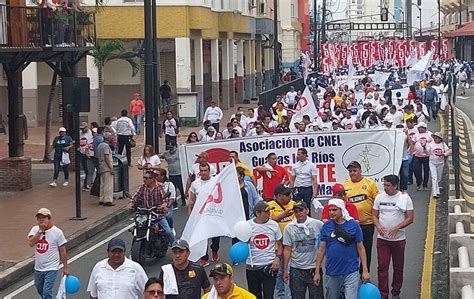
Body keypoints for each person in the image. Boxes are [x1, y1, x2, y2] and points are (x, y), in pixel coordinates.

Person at [313, 198, 370, 299]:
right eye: (330, 210)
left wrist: (365, 270)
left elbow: (361, 248)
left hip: (351, 270)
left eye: (334, 210)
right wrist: (317, 272)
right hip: (332, 271)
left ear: (341, 210)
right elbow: (321, 250)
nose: (331, 212)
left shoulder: (354, 225)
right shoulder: (326, 226)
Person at [373, 175, 414, 299]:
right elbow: (374, 215)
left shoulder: (404, 198)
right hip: (383, 239)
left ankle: (396, 291)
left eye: (388, 185)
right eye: (384, 185)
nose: (385, 188)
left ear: (395, 186)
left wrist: (397, 227)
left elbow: (410, 218)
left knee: (398, 267)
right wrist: (378, 226)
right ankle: (383, 293)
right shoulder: (379, 197)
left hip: (398, 239)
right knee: (382, 266)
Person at [282, 201, 324, 299]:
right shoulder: (289, 227)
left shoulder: (317, 224)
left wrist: (318, 270)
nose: (298, 213)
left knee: (317, 296)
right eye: (296, 211)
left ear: (307, 210)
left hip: (313, 267)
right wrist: (285, 270)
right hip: (296, 268)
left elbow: (325, 242)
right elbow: (287, 249)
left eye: (301, 210)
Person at [343, 161, 379, 271]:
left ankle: (364, 272)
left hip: (367, 224)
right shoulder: (345, 185)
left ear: (360, 171)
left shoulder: (370, 183)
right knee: (351, 250)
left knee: (366, 249)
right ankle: (352, 273)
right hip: (350, 225)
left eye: (355, 170)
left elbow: (377, 202)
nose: (352, 173)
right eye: (350, 171)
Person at [28, 208, 68, 299]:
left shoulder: (57, 232)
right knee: (39, 288)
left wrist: (65, 267)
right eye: (39, 218)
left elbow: (62, 250)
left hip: (51, 267)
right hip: (38, 267)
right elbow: (31, 243)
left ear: (49, 218)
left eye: (43, 218)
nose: (41, 220)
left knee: (47, 292)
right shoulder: (35, 229)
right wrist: (40, 232)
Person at [246, 201, 283, 299]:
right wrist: (245, 240)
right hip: (252, 266)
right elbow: (242, 246)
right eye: (265, 212)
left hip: (269, 265)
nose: (269, 214)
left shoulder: (274, 225)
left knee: (269, 295)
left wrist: (277, 259)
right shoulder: (247, 226)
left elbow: (280, 244)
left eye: (269, 211)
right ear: (258, 213)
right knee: (254, 296)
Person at [129, 171, 175, 245]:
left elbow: (164, 198)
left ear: (153, 179)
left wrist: (164, 205)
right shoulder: (142, 187)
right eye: (144, 178)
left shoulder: (160, 187)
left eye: (147, 178)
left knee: (168, 232)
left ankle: (175, 247)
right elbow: (136, 196)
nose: (144, 180)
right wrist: (131, 203)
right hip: (146, 215)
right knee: (137, 228)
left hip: (158, 215)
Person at [188, 163, 220, 266]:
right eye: (201, 171)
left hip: (213, 213)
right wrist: (190, 213)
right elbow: (192, 200)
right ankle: (204, 257)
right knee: (202, 236)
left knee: (215, 236)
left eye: (205, 171)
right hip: (200, 214)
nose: (203, 173)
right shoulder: (195, 184)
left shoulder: (215, 182)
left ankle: (214, 250)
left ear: (209, 171)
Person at [268, 184, 295, 299]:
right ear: (279, 196)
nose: (290, 196)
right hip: (277, 245)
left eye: (290, 193)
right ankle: (280, 295)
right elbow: (266, 221)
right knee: (279, 272)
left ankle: (290, 295)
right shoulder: (269, 206)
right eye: (287, 194)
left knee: (289, 271)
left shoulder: (294, 204)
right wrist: (283, 215)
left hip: (292, 245)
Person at [289, 148, 318, 215]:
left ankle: (308, 221)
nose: (297, 156)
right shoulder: (295, 166)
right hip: (297, 188)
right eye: (297, 154)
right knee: (296, 205)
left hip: (307, 188)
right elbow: (292, 179)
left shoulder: (311, 165)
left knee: (307, 206)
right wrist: (290, 190)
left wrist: (315, 192)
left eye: (299, 154)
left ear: (304, 155)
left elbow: (314, 179)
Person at [409, 122, 433, 191]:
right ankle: (419, 183)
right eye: (419, 128)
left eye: (421, 128)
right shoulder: (416, 134)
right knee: (416, 170)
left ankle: (425, 185)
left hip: (427, 155)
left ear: (424, 128)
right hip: (417, 155)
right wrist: (411, 151)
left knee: (426, 171)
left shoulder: (430, 134)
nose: (420, 129)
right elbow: (412, 143)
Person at [428, 132, 450, 198]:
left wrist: (444, 154)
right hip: (432, 162)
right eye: (434, 137)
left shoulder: (443, 144)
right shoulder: (431, 144)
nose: (435, 139)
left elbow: (448, 151)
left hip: (440, 163)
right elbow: (427, 151)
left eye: (437, 137)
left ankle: (436, 189)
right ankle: (435, 192)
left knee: (439, 178)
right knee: (434, 177)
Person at [97, 132, 116, 206]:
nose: (112, 138)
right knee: (108, 184)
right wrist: (111, 168)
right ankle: (107, 200)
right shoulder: (106, 146)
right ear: (108, 138)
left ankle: (102, 198)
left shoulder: (100, 145)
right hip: (107, 167)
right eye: (111, 137)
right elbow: (106, 157)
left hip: (101, 167)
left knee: (103, 184)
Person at [79, 122, 94, 191]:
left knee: (88, 169)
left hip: (87, 153)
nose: (82, 130)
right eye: (81, 128)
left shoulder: (90, 134)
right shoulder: (80, 133)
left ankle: (87, 184)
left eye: (83, 128)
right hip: (81, 152)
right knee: (85, 168)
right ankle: (89, 181)